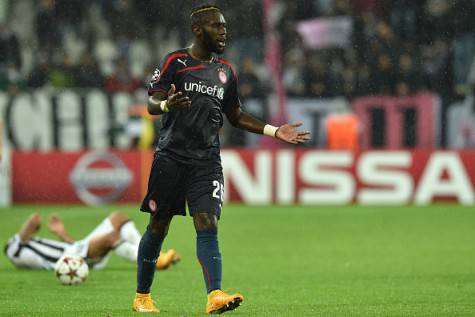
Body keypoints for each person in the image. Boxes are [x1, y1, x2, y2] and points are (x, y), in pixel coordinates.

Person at [133, 4, 310, 314]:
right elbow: (151, 102)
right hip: (171, 158)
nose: (224, 32)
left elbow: (236, 115)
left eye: (225, 27)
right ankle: (142, 296)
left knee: (207, 221)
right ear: (198, 30)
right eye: (217, 27)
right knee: (158, 226)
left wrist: (274, 130)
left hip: (206, 162)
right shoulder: (176, 61)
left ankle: (214, 294)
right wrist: (166, 106)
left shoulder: (225, 71)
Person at [4, 212, 180, 271]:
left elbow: (71, 246)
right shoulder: (14, 250)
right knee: (112, 237)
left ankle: (153, 254)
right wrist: (31, 224)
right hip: (69, 261)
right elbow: (33, 221)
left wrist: (61, 233)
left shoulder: (26, 243)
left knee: (118, 218)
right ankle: (152, 261)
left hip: (74, 251)